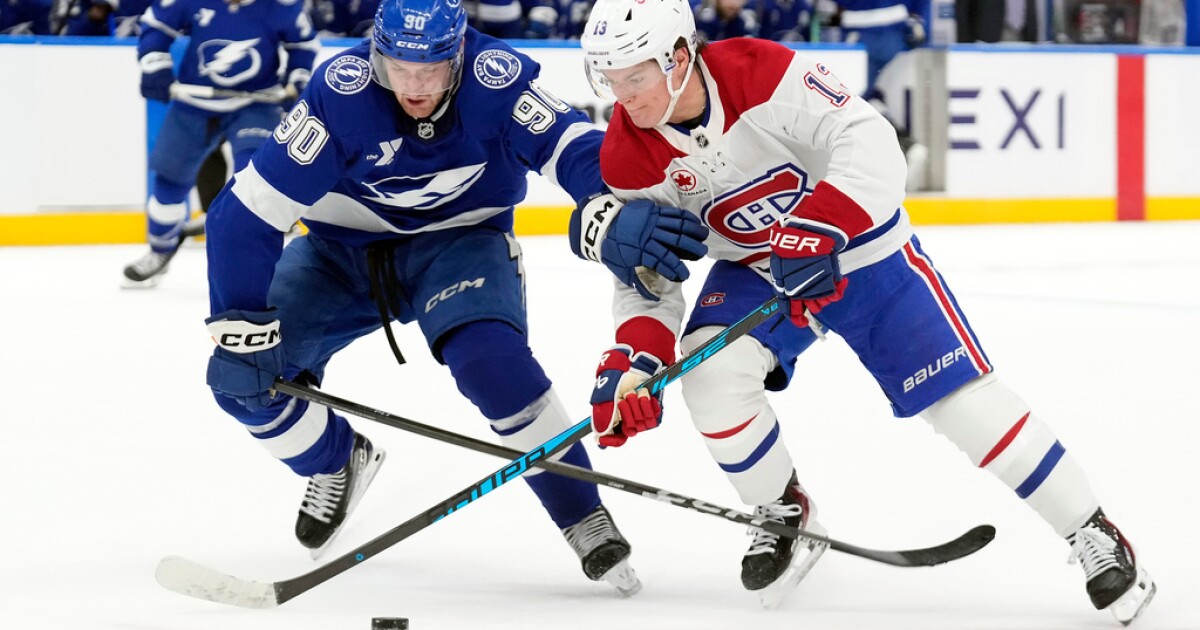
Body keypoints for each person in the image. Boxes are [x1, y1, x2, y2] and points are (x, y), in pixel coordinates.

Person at [575, 0, 1157, 622]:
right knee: (709, 374)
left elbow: (869, 139)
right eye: (608, 79)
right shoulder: (626, 155)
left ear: (679, 56)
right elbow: (648, 274)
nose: (622, 95)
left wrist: (819, 225)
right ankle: (783, 510)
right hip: (755, 269)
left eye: (635, 75)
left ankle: (1090, 529)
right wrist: (636, 358)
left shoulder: (756, 71)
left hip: (858, 246)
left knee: (961, 402)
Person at [201, 0, 706, 589]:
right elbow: (244, 214)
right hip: (338, 255)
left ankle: (582, 514)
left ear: (460, 55)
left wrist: (605, 203)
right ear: (376, 54)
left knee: (494, 366)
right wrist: (240, 325)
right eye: (398, 68)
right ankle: (335, 460)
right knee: (242, 383)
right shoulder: (340, 93)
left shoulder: (497, 79)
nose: (413, 87)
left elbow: (573, 146)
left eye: (431, 70)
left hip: (461, 246)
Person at [121, 0, 319, 286]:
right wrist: (155, 64)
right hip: (193, 103)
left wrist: (298, 77)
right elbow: (156, 24)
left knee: (254, 181)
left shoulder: (281, 5)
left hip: (255, 104)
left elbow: (303, 44)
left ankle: (249, 263)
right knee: (169, 180)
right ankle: (160, 249)